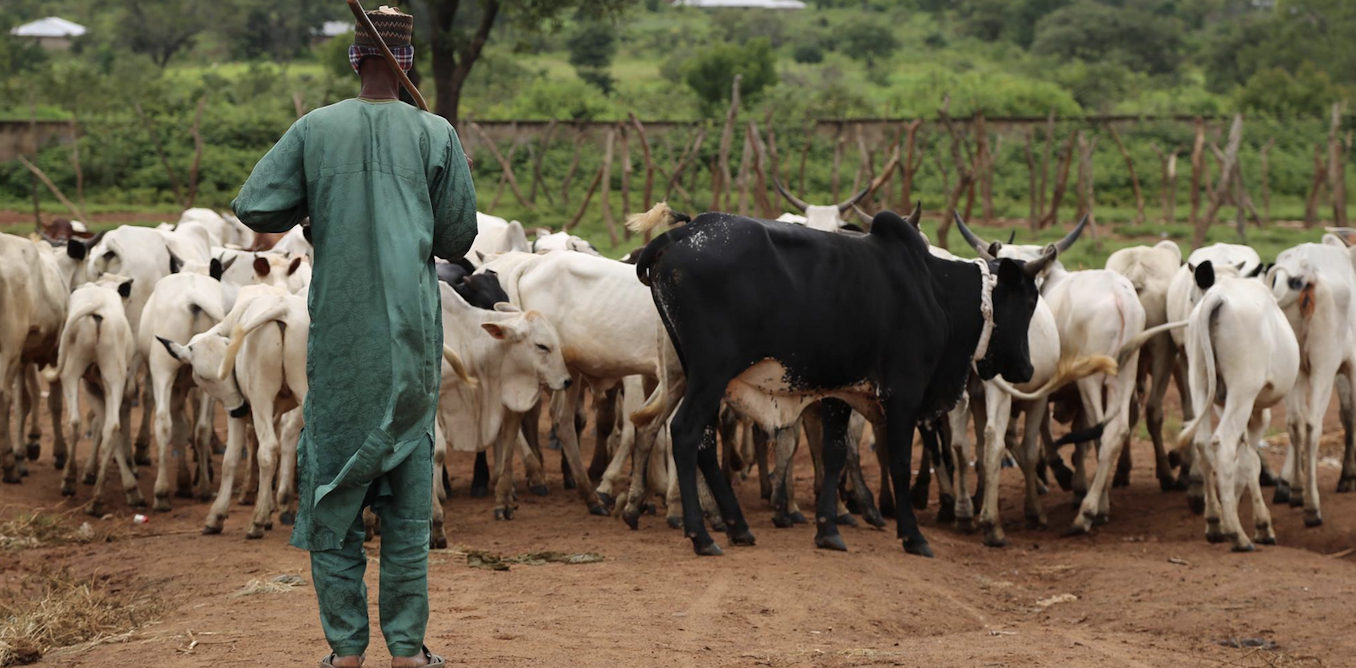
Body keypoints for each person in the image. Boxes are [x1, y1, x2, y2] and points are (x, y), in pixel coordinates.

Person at [231, 7, 476, 668]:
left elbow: (254, 207)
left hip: (339, 352)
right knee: (405, 518)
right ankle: (406, 650)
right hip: (410, 352)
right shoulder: (436, 134)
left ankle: (343, 653)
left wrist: (317, 203)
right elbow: (457, 239)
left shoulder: (315, 129)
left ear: (353, 60)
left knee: (332, 500)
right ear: (410, 64)